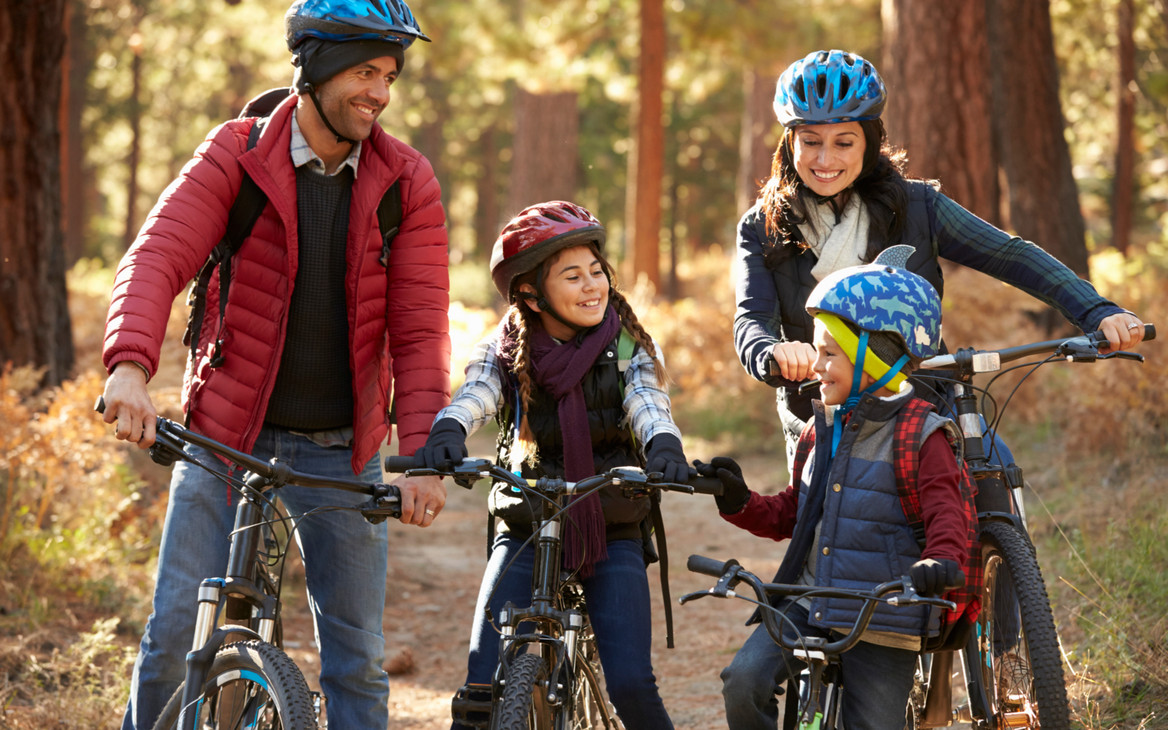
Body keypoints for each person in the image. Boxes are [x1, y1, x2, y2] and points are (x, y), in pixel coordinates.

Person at [99, 1, 450, 728]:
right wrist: (129, 364)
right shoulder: (238, 152)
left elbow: (419, 331)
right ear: (317, 68)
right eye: (364, 72)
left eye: (388, 76)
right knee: (173, 641)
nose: (380, 93)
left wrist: (418, 456)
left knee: (356, 661)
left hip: (340, 452)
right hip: (224, 439)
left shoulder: (406, 181)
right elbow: (158, 257)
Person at [734, 49, 1147, 462]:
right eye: (811, 142)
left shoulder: (918, 206)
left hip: (925, 400)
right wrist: (772, 353)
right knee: (825, 524)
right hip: (820, 416)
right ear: (790, 142)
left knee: (992, 467)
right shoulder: (761, 226)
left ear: (869, 142)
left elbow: (1010, 256)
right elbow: (752, 320)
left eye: (844, 142)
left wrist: (1096, 311)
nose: (825, 160)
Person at [412, 200, 690, 730]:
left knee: (631, 682)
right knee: (479, 688)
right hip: (526, 521)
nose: (592, 287)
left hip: (610, 523)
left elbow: (648, 404)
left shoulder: (626, 343)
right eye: (572, 276)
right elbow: (477, 391)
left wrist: (664, 447)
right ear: (531, 295)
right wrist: (449, 429)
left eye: (596, 272)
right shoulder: (507, 345)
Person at [698, 261, 969, 730]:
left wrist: (938, 560)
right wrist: (738, 500)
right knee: (743, 683)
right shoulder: (819, 429)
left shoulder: (923, 435)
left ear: (876, 355)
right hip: (807, 599)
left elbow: (948, 515)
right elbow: (791, 515)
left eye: (829, 354)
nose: (816, 367)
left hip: (885, 616)